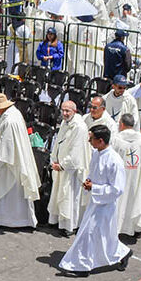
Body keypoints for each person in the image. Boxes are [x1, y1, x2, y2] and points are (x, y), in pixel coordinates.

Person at [59, 125, 132, 276]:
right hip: (95, 202)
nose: (89, 141)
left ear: (100, 141)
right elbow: (94, 173)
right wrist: (89, 182)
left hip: (105, 204)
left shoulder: (114, 161)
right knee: (103, 236)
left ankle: (83, 266)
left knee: (90, 233)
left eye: (91, 138)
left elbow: (117, 189)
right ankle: (123, 253)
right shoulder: (97, 153)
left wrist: (95, 188)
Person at [0, 93, 40, 228]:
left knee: (4, 189)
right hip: (16, 158)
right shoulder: (14, 114)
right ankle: (16, 220)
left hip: (10, 160)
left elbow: (7, 145)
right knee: (15, 193)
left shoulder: (9, 121)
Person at [48, 101, 91, 236]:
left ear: (75, 111)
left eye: (68, 111)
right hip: (60, 165)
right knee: (59, 194)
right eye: (63, 110)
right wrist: (54, 159)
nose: (65, 114)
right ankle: (58, 221)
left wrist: (62, 165)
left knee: (70, 197)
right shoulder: (64, 123)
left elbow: (76, 152)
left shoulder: (79, 127)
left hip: (71, 170)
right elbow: (59, 142)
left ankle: (69, 226)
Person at [112, 113, 141, 238]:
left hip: (119, 179)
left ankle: (115, 226)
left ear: (121, 124)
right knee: (135, 198)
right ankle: (134, 227)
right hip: (136, 177)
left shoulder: (115, 140)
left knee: (119, 202)